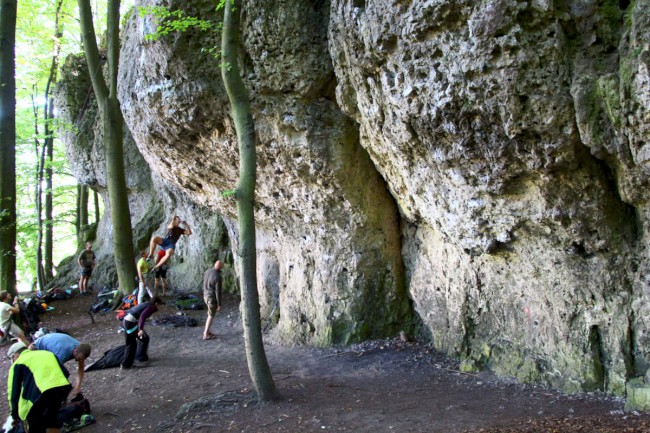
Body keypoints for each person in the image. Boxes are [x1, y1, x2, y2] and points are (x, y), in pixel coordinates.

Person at [7, 341, 72, 433]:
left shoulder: (17, 363)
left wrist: (14, 414)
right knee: (51, 419)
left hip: (42, 393)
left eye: (12, 359)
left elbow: (13, 391)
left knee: (34, 425)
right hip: (62, 388)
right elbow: (65, 372)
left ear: (15, 356)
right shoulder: (47, 353)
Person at [33, 333, 91, 397]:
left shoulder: (81, 348)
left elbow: (80, 369)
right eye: (79, 358)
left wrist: (78, 386)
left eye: (82, 359)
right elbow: (53, 371)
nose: (79, 360)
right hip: (37, 346)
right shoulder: (63, 354)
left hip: (51, 341)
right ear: (75, 351)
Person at [121, 295, 164, 369]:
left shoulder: (147, 304)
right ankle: (126, 364)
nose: (159, 306)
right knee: (131, 344)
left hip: (127, 321)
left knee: (144, 338)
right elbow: (142, 316)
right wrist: (140, 329)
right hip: (130, 323)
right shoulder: (151, 307)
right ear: (156, 303)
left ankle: (140, 357)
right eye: (160, 304)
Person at [202, 260, 223, 340]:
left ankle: (207, 331)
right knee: (211, 315)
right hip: (211, 298)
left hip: (205, 295)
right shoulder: (218, 276)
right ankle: (206, 333)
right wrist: (219, 303)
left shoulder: (207, 271)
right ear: (221, 267)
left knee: (209, 313)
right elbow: (218, 291)